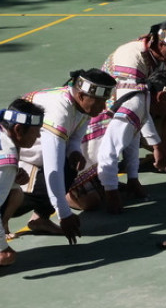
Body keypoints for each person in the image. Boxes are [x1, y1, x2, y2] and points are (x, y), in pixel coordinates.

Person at [16, 69, 116, 245]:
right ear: (83, 96)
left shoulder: (79, 105)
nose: (104, 107)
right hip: (15, 161)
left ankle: (40, 218)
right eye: (100, 102)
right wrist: (64, 214)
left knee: (70, 166)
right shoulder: (59, 112)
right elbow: (52, 170)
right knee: (39, 189)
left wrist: (74, 151)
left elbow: (76, 135)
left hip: (33, 157)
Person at [67, 69, 166, 214]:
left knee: (108, 183)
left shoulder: (143, 95)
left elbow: (132, 140)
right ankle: (66, 192)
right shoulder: (134, 107)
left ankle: (99, 181)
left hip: (90, 147)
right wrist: (112, 194)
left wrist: (133, 177)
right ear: (162, 96)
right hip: (77, 153)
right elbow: (108, 152)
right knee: (91, 201)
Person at [101, 19, 166, 169]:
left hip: (145, 107)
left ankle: (164, 153)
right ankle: (159, 153)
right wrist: (157, 146)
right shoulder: (131, 56)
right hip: (115, 113)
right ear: (161, 44)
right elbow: (133, 105)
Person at [0, 99, 44, 275]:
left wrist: (12, 180)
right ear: (18, 130)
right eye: (36, 131)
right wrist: (1, 247)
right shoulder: (4, 158)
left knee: (15, 192)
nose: (39, 136)